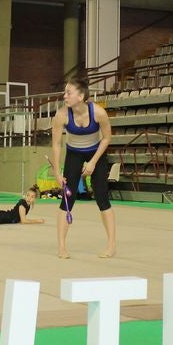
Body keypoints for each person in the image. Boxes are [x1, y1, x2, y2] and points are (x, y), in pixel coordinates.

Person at [51, 78, 115, 259]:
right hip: (74, 154)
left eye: (68, 93)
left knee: (102, 198)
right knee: (67, 200)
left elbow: (107, 138)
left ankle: (111, 244)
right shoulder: (62, 115)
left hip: (96, 153)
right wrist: (57, 171)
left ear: (80, 96)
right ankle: (62, 247)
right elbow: (56, 144)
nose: (64, 96)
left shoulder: (99, 113)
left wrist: (93, 162)